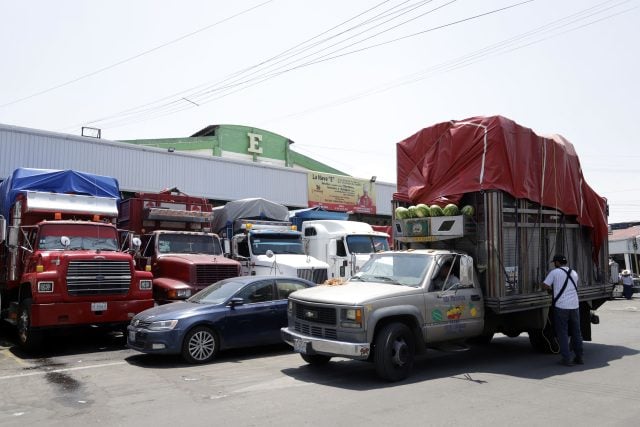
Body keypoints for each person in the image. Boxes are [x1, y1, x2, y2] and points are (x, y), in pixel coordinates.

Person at [542, 254, 583, 366]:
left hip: (561, 306)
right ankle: (579, 357)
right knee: (576, 332)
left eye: (555, 262)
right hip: (574, 306)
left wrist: (550, 289)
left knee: (563, 333)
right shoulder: (574, 272)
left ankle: (566, 359)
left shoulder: (555, 272)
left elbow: (545, 285)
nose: (554, 264)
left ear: (557, 263)